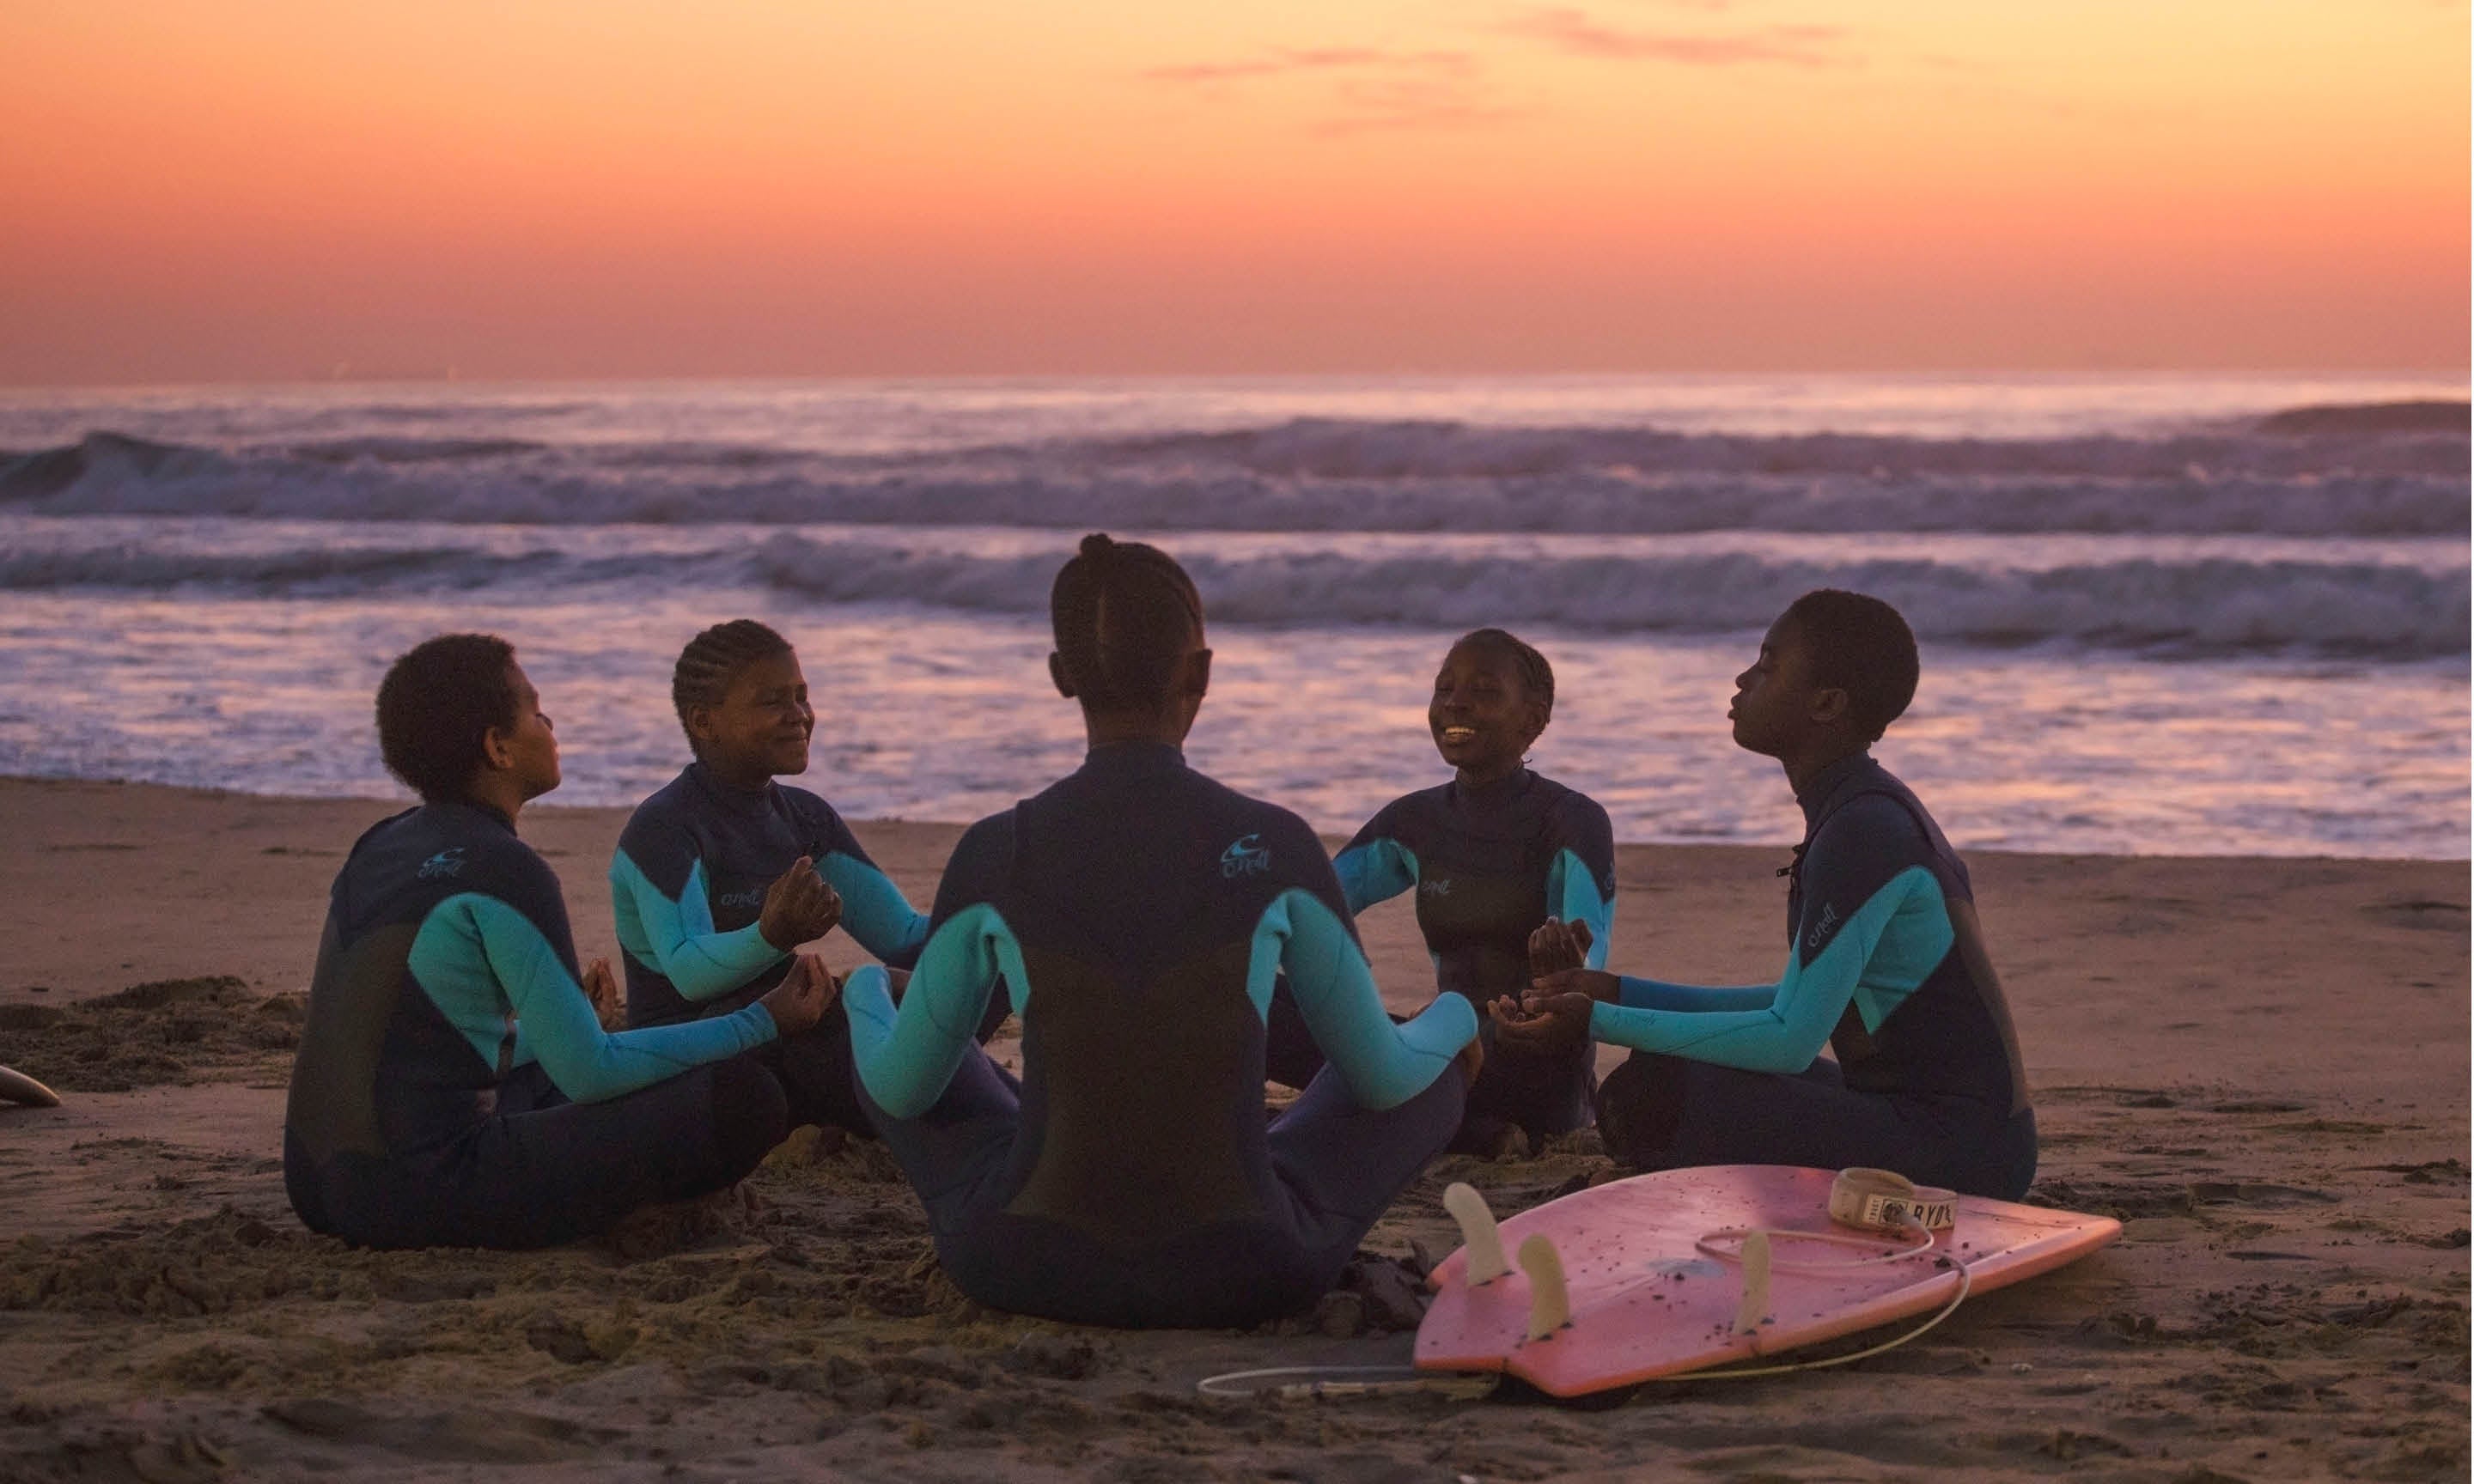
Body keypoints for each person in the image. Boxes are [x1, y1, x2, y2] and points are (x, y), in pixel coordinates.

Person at [840, 534, 1484, 1329]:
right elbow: (1380, 1079)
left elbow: (903, 1090)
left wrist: (864, 991)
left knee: (909, 1048)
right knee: (1431, 1070)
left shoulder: (997, 849)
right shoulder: (1275, 842)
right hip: (1250, 1264)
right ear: (1201, 673)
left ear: (1061, 676)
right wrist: (1456, 1019)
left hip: (1022, 1261)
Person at [283, 634, 833, 1250]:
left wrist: (555, 1033)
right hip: (419, 1189)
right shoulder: (506, 867)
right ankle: (619, 1215)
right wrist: (761, 1020)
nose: (551, 724)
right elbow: (592, 1072)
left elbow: (411, 1044)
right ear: (497, 748)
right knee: (744, 1097)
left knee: (565, 1064)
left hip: (315, 1181)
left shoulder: (381, 843)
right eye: (536, 711)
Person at [1515, 590, 2036, 1199]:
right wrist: (1615, 991)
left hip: (1966, 1151)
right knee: (1669, 1067)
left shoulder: (1863, 831)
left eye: (1767, 666)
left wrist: (1595, 1021)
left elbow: (1789, 1042)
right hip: (1942, 1125)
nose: (1741, 680)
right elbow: (1801, 1002)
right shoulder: (1862, 811)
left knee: (1649, 1096)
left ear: (1826, 704)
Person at [610, 619, 975, 1136]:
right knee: (872, 1041)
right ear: (704, 721)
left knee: (974, 968)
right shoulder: (666, 827)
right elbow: (689, 973)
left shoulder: (804, 819)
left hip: (794, 1033)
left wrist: (997, 923)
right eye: (772, 701)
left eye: (802, 696)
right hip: (699, 1058)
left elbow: (905, 937)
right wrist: (771, 935)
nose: (799, 716)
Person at [1281, 629, 1613, 1157]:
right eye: (1444, 689)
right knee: (1267, 1008)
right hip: (1444, 1049)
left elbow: (1589, 957)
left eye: (1483, 691)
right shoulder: (1415, 820)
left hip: (1532, 1060)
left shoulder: (1572, 821)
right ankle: (1469, 1131)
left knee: (1431, 1053)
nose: (1455, 702)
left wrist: (1567, 971)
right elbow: (1303, 908)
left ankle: (1453, 1123)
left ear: (1533, 719)